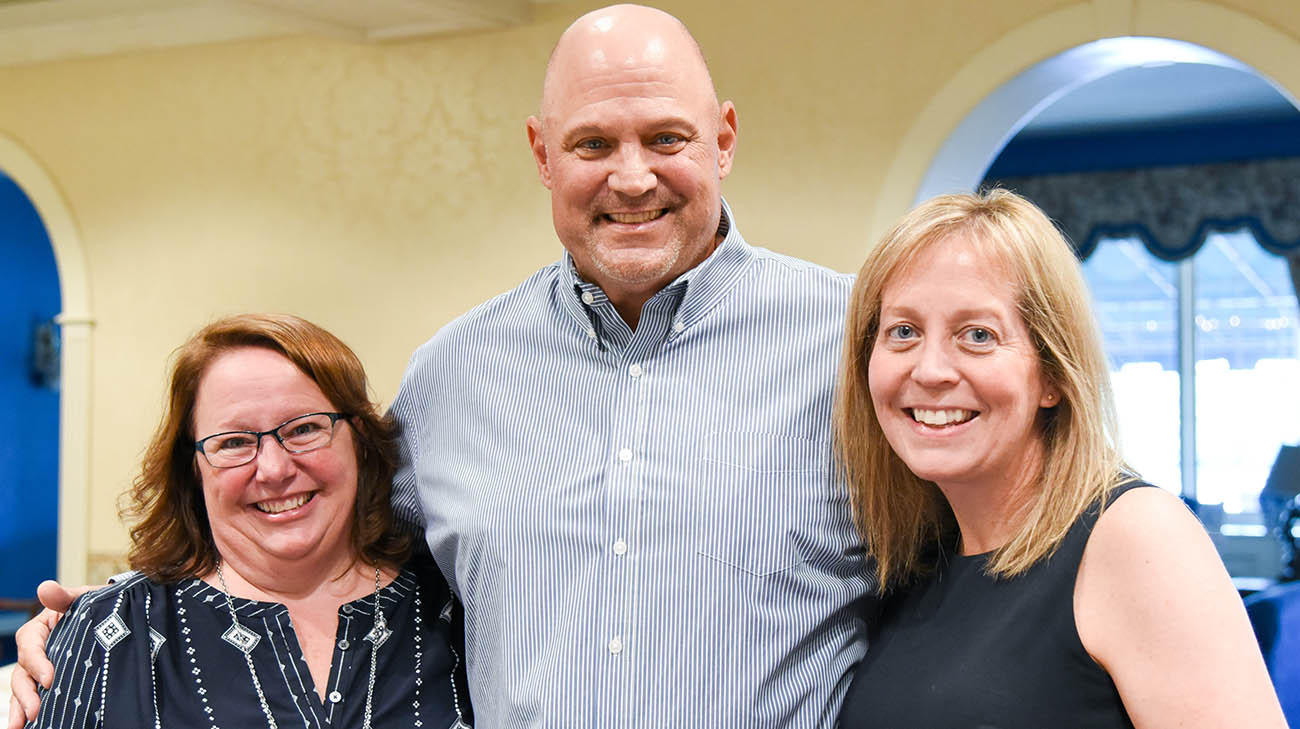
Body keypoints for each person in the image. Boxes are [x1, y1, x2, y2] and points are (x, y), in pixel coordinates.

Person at [12, 6, 872, 727]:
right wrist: (106, 630)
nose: (633, 176)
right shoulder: (455, 375)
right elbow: (312, 530)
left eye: (667, 136)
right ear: (542, 155)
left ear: (723, 139)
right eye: (593, 144)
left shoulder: (856, 346)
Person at [834, 189, 1287, 728]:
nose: (930, 370)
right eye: (903, 332)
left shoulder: (1134, 536)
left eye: (978, 335)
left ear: (1052, 374)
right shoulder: (911, 562)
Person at [21, 314, 467, 729]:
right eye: (234, 442)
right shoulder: (112, 630)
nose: (274, 470)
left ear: (360, 440)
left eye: (304, 429)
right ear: (193, 468)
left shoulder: (461, 609)